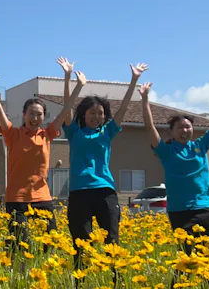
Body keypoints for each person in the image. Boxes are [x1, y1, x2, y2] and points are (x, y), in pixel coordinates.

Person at [139, 78, 209, 289]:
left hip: (206, 208)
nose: (185, 129)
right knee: (184, 257)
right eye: (180, 127)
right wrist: (145, 100)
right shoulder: (166, 151)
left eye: (188, 126)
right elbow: (149, 127)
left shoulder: (200, 146)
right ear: (172, 132)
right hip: (180, 211)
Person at [0, 57, 86, 252]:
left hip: (42, 196)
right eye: (31, 114)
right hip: (16, 199)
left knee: (50, 244)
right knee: (18, 247)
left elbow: (67, 109)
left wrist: (74, 83)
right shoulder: (12, 134)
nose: (35, 118)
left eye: (39, 114)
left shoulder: (47, 134)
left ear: (44, 117)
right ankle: (19, 278)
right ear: (24, 114)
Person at [63, 62, 149, 274]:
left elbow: (124, 108)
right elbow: (67, 107)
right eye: (92, 112)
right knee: (81, 243)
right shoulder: (74, 132)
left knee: (112, 240)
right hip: (79, 192)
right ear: (83, 114)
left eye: (100, 113)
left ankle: (116, 287)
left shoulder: (108, 131)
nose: (96, 116)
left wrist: (134, 81)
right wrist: (68, 79)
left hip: (105, 191)